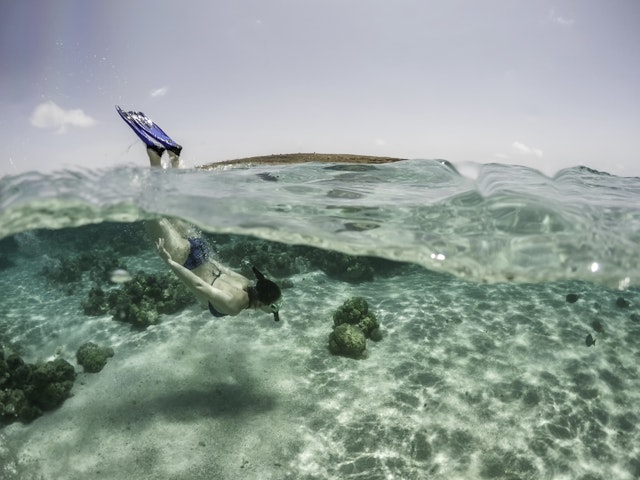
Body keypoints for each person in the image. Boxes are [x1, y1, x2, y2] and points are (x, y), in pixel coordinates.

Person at [116, 106, 282, 321]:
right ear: (263, 302)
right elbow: (197, 285)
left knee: (168, 205)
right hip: (185, 260)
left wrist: (269, 306)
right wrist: (170, 262)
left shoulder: (246, 283)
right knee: (151, 208)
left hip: (201, 249)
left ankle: (173, 158)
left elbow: (227, 273)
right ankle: (155, 158)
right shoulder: (235, 305)